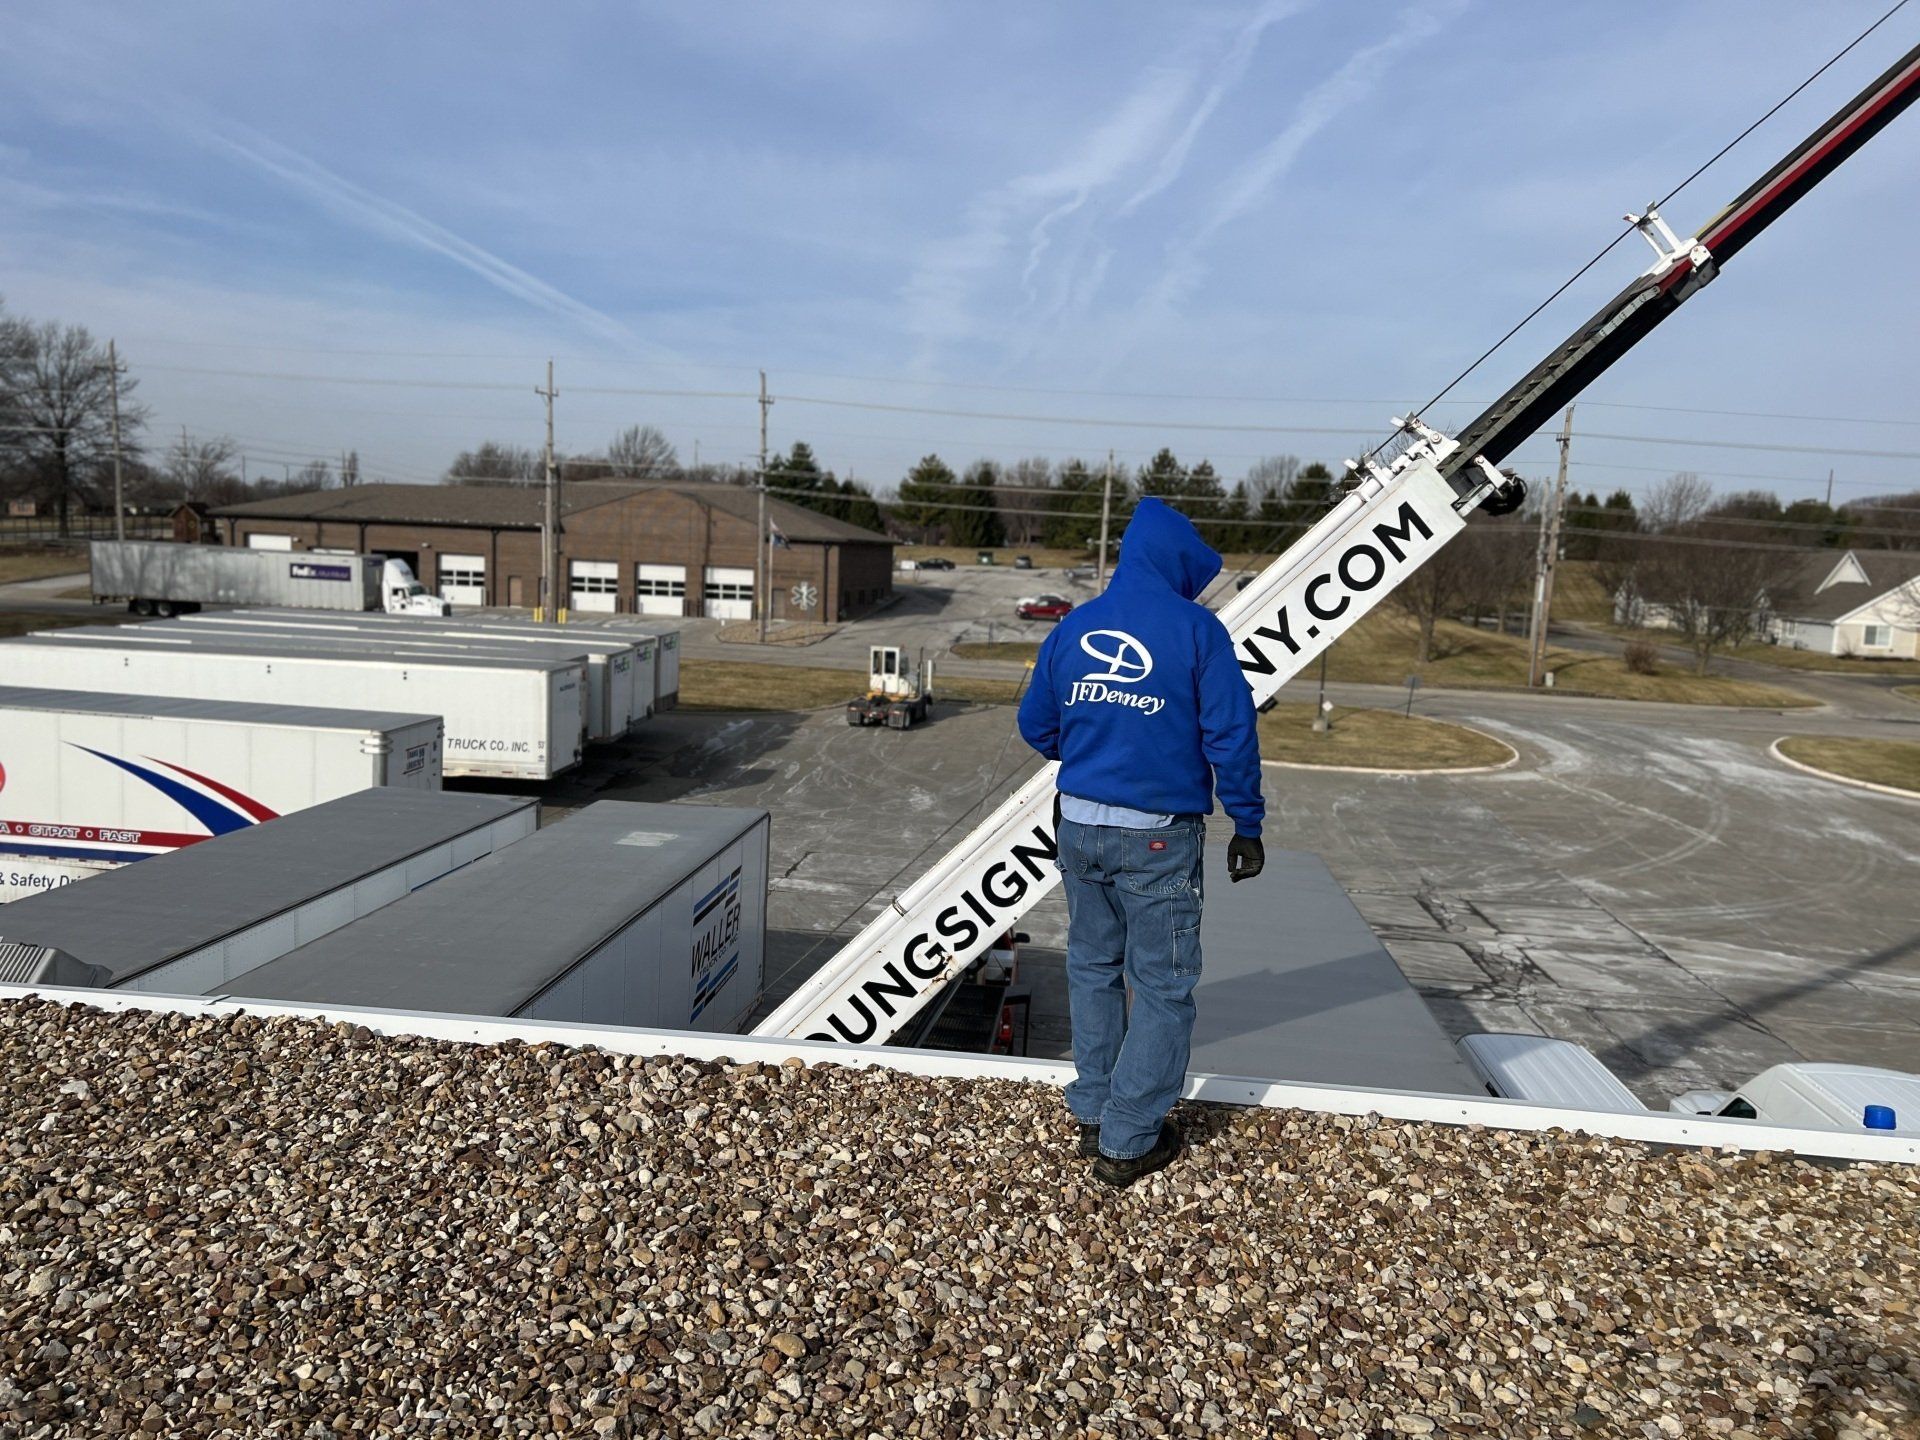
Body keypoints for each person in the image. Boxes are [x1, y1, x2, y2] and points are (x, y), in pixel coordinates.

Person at [1017, 498, 1266, 1187]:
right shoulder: (1198, 632)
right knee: (1162, 986)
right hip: (1158, 836)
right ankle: (1127, 1141)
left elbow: (1037, 725)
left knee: (1093, 966)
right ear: (1177, 563)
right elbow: (1231, 736)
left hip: (1081, 827)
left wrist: (1098, 747)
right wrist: (1247, 822)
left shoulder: (1075, 627)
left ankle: (1096, 1108)